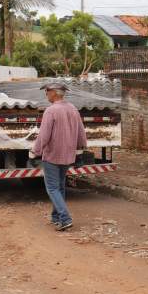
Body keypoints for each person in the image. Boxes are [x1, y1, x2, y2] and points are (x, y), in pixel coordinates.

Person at [29, 82, 87, 231]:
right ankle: (56, 217)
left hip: (53, 156)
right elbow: (81, 132)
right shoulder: (73, 109)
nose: (46, 94)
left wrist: (35, 151)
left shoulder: (51, 111)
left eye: (47, 91)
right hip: (68, 155)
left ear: (54, 93)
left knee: (53, 188)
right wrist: (81, 148)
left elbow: (44, 136)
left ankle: (65, 218)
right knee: (60, 186)